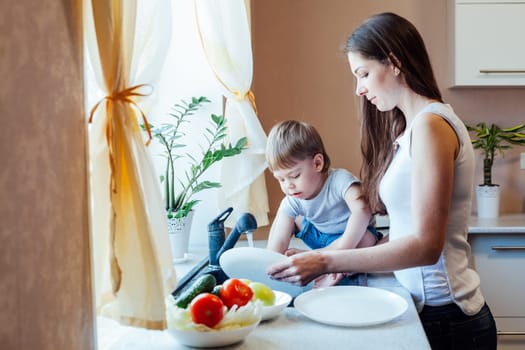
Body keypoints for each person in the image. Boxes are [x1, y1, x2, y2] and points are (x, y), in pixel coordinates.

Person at [266, 12, 497, 349]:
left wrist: (327, 260)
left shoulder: (431, 127)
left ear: (394, 62)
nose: (359, 89)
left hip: (449, 317)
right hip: (425, 308)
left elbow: (427, 246)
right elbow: (407, 230)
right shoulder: (409, 129)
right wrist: (342, 266)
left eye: (363, 74)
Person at [265, 120, 381, 287]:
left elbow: (363, 209)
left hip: (350, 237)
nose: (288, 185)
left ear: (317, 163)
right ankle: (315, 257)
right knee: (287, 216)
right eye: (281, 179)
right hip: (320, 237)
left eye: (295, 176)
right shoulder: (293, 198)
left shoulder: (339, 180)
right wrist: (274, 265)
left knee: (367, 240)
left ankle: (334, 268)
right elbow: (278, 242)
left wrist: (342, 247)